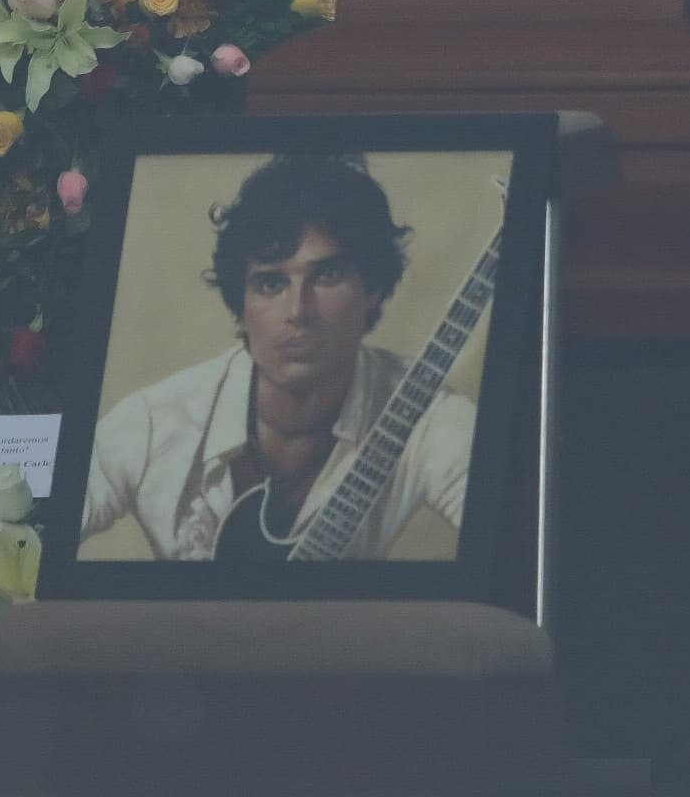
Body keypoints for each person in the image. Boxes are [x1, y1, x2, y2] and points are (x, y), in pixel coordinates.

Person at [80, 153, 474, 564]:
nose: (299, 312)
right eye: (271, 283)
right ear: (240, 306)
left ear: (372, 287)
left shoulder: (427, 415)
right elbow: (33, 533)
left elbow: (515, 546)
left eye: (326, 276)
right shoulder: (154, 423)